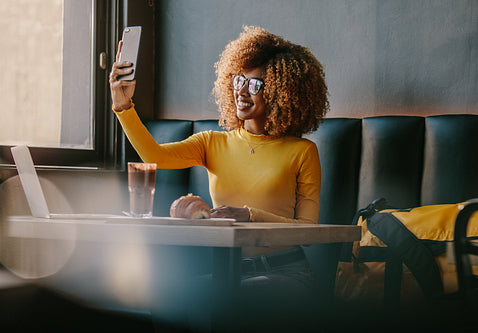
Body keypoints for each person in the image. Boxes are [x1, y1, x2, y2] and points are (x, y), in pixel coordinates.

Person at [109, 25, 329, 331]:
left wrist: (249, 216)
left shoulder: (302, 151)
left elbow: (308, 231)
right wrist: (122, 105)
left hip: (287, 273)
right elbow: (153, 156)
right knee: (168, 298)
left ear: (282, 92)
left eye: (255, 85)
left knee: (217, 299)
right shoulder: (212, 143)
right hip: (229, 271)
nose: (240, 91)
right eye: (239, 80)